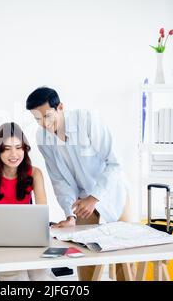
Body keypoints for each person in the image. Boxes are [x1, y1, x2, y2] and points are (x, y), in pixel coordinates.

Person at [26, 86, 130, 281]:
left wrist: (95, 197)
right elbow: (59, 179)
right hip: (83, 202)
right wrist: (69, 214)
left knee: (125, 261)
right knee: (86, 261)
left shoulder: (88, 121)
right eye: (37, 119)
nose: (44, 124)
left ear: (61, 107)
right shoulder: (42, 137)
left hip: (112, 194)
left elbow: (115, 164)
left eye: (47, 117)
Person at [0, 122, 57, 281]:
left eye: (19, 147)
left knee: (41, 275)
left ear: (25, 149)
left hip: (28, 244)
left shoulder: (35, 174)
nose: (14, 154)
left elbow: (42, 215)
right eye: (7, 149)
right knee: (18, 276)